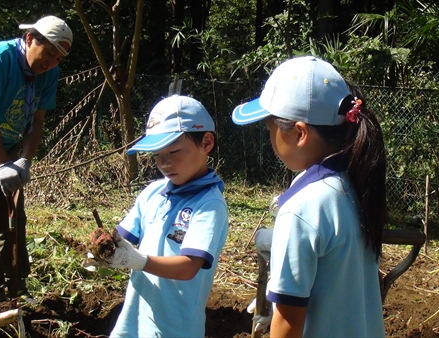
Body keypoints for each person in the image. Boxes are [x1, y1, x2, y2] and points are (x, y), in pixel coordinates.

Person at [232, 56, 388, 337]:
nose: (270, 139)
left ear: (300, 134)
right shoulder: (353, 186)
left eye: (271, 129)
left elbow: (288, 323)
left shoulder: (302, 208)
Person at [87, 95, 229, 337]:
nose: (164, 163)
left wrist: (139, 261)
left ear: (206, 143)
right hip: (135, 318)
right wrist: (103, 246)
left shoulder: (209, 204)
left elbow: (188, 268)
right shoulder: (154, 192)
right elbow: (123, 237)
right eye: (156, 154)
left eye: (173, 151)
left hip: (175, 326)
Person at [0, 15, 73, 299]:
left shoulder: (48, 73)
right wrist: (1, 163)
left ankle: (15, 284)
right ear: (30, 39)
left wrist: (24, 160)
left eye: (59, 58)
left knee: (14, 217)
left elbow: (38, 120)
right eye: (50, 54)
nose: (52, 63)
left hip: (5, 149)